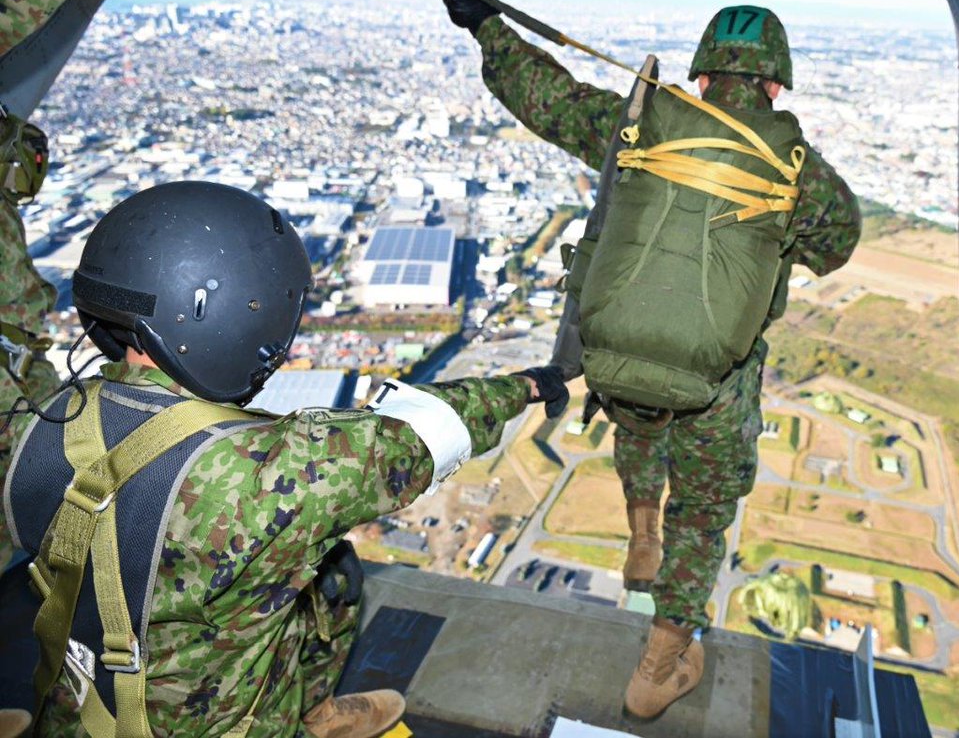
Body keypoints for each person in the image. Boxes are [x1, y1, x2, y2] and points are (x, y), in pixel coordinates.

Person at [0, 181, 567, 737]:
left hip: (79, 708)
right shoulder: (269, 475)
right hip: (216, 722)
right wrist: (528, 385)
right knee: (332, 570)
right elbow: (431, 429)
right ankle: (309, 717)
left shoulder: (35, 421)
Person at [439, 0, 860, 718]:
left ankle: (641, 532)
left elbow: (548, 97)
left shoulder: (639, 122)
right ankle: (659, 666)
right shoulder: (800, 172)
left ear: (701, 73)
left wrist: (488, 26)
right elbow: (839, 241)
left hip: (617, 355)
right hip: (714, 380)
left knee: (639, 417)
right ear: (775, 82)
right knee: (701, 512)